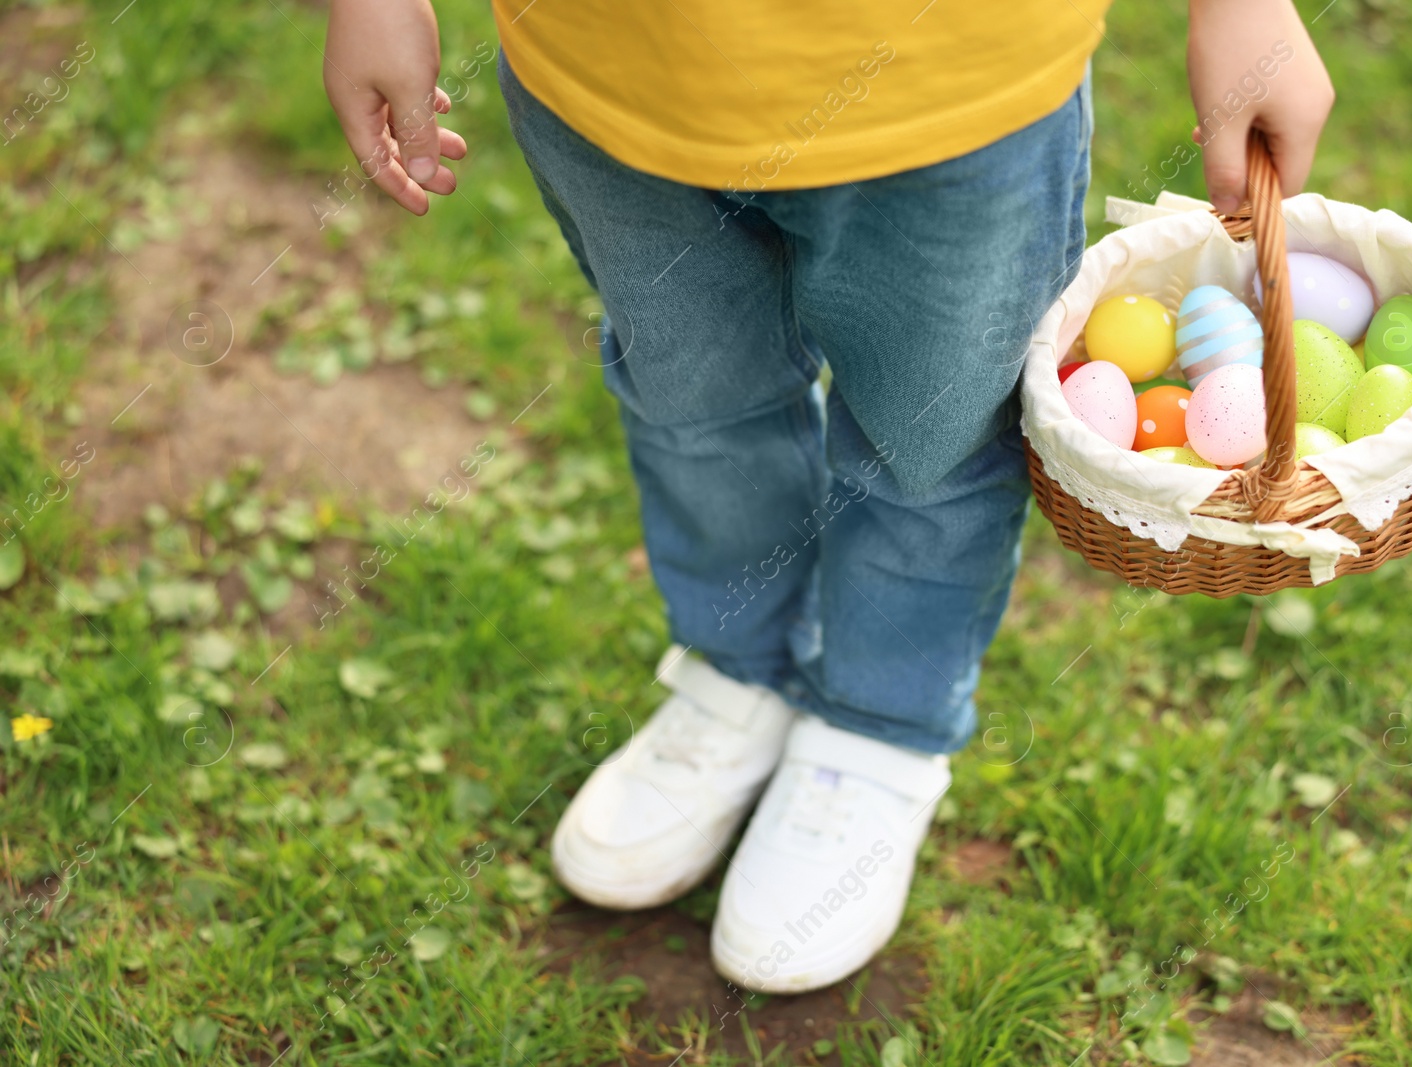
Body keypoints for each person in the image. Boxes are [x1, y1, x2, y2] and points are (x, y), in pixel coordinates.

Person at [323, 0, 1334, 995]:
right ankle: (742, 666)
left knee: (928, 449)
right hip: (610, 80)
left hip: (955, 99)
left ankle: (875, 724)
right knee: (692, 409)